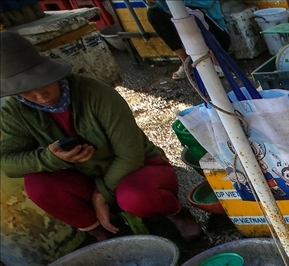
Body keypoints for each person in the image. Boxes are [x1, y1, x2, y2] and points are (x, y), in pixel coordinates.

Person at [0, 32, 202, 241]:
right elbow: (7, 163)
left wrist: (101, 194)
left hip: (137, 167)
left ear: (53, 74)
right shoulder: (14, 112)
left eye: (44, 84)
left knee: (137, 198)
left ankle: (177, 214)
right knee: (37, 185)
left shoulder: (97, 94)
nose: (41, 96)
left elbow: (129, 155)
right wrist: (50, 158)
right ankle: (101, 233)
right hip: (82, 178)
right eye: (28, 92)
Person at [146, 0, 232, 80]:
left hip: (219, 35)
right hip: (190, 37)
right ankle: (186, 62)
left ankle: (217, 61)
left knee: (192, 11)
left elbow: (206, 3)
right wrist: (151, 3)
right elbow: (161, 7)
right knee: (153, 13)